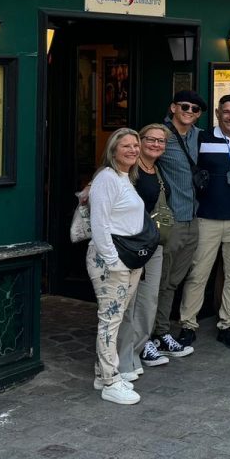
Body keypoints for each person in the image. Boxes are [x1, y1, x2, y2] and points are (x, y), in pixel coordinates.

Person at [177, 95, 230, 350]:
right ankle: (187, 325)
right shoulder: (202, 138)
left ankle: (228, 324)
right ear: (217, 113)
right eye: (226, 112)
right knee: (198, 274)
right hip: (207, 217)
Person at [86, 128, 146, 404]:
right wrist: (114, 261)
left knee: (116, 317)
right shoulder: (106, 179)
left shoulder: (125, 178)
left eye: (136, 145)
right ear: (113, 151)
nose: (133, 150)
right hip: (112, 260)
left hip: (128, 258)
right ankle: (110, 381)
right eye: (126, 146)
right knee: (109, 320)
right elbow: (100, 224)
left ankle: (103, 372)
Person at [117, 124, 173, 376]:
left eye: (161, 141)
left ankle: (136, 353)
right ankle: (122, 358)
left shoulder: (156, 170)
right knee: (128, 303)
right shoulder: (129, 169)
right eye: (150, 139)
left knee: (148, 302)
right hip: (130, 245)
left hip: (153, 244)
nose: (156, 145)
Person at [151, 90, 202, 358]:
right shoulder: (160, 134)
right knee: (159, 281)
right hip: (170, 220)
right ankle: (151, 334)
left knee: (173, 281)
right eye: (185, 106)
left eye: (195, 109)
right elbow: (134, 157)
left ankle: (161, 332)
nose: (190, 111)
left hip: (193, 218)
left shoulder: (198, 134)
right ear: (173, 107)